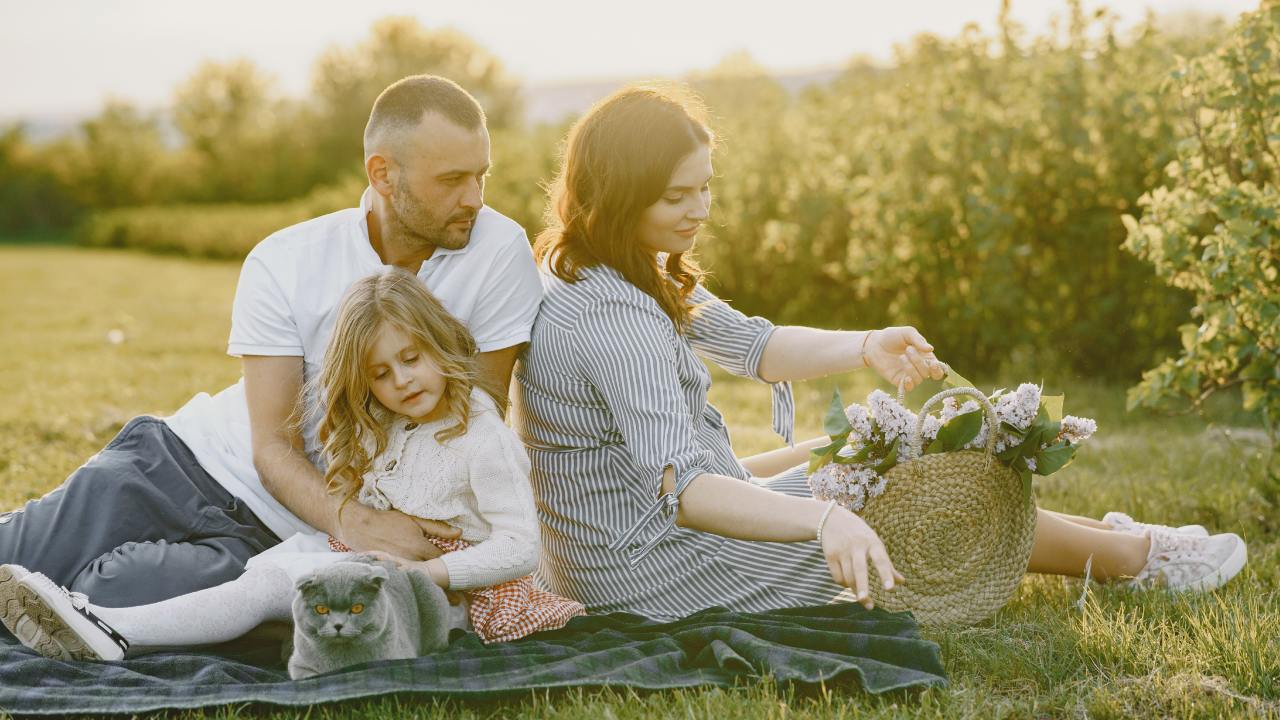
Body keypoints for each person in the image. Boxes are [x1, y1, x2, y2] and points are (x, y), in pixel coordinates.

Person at [512, 85, 1248, 622]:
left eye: (705, 188)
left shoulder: (603, 265)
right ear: (617, 194)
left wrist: (868, 344)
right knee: (893, 475)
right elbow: (687, 490)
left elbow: (758, 346)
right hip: (660, 571)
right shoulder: (614, 317)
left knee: (865, 445)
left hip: (623, 543)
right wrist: (825, 520)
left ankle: (1114, 540)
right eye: (677, 197)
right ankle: (1133, 561)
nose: (699, 211)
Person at [0, 75, 543, 654]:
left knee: (109, 595)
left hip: (278, 533)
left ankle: (74, 599)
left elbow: (471, 421)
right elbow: (274, 447)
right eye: (453, 180)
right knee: (20, 556)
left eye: (482, 175)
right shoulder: (286, 259)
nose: (476, 198)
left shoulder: (498, 252)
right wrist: (354, 520)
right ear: (383, 174)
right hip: (180, 463)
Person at [1, 270, 583, 661]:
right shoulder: (388, 427)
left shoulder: (480, 433)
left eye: (412, 358)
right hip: (367, 559)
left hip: (452, 591)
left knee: (285, 597)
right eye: (381, 374)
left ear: (441, 342)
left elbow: (520, 547)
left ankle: (108, 626)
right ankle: (106, 628)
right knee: (263, 583)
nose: (402, 380)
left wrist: (428, 576)